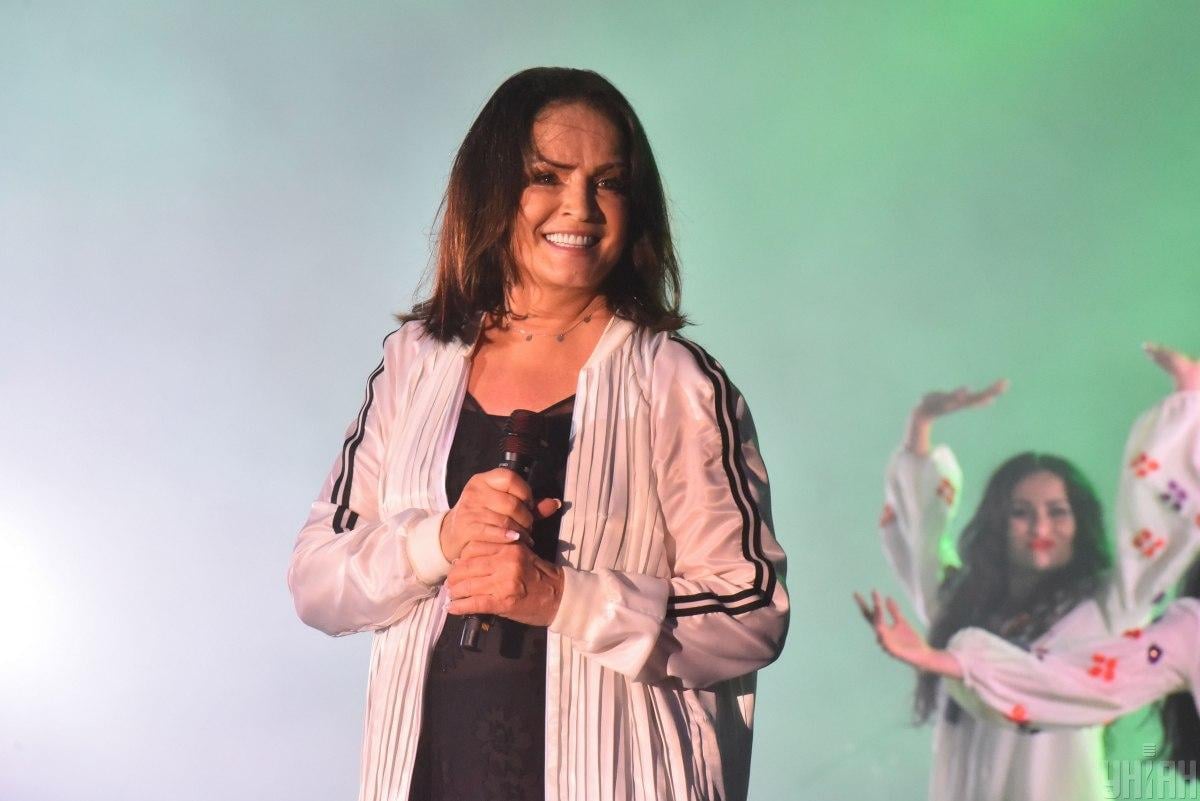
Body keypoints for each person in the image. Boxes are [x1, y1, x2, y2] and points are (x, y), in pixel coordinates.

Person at [286, 67, 789, 801]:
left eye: (608, 183)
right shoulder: (415, 363)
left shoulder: (675, 380)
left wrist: (561, 596)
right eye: (546, 177)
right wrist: (439, 541)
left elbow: (751, 610)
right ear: (491, 190)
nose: (579, 206)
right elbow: (317, 580)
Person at [872, 343, 1200, 801]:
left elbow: (1154, 535)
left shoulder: (1108, 607)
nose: (1040, 528)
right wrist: (921, 424)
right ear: (998, 522)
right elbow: (921, 539)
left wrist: (1186, 404)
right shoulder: (961, 603)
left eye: (1057, 512)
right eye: (1021, 512)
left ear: (1080, 521)